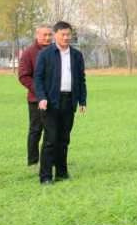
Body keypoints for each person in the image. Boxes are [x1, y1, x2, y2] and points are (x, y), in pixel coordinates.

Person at [34, 21, 87, 185]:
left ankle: (62, 172)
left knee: (64, 139)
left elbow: (81, 79)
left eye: (68, 34)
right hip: (50, 103)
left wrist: (82, 100)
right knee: (51, 139)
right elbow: (38, 78)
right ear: (55, 35)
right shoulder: (46, 54)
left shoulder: (77, 56)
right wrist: (42, 97)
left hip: (69, 101)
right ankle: (46, 176)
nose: (66, 37)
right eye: (63, 34)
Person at [18, 24, 53, 166]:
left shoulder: (56, 51)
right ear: (37, 35)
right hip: (36, 99)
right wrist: (40, 92)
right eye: (44, 35)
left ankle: (52, 159)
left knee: (53, 130)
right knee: (36, 130)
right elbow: (23, 76)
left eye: (49, 35)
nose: (47, 38)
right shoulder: (29, 53)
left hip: (56, 98)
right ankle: (33, 161)